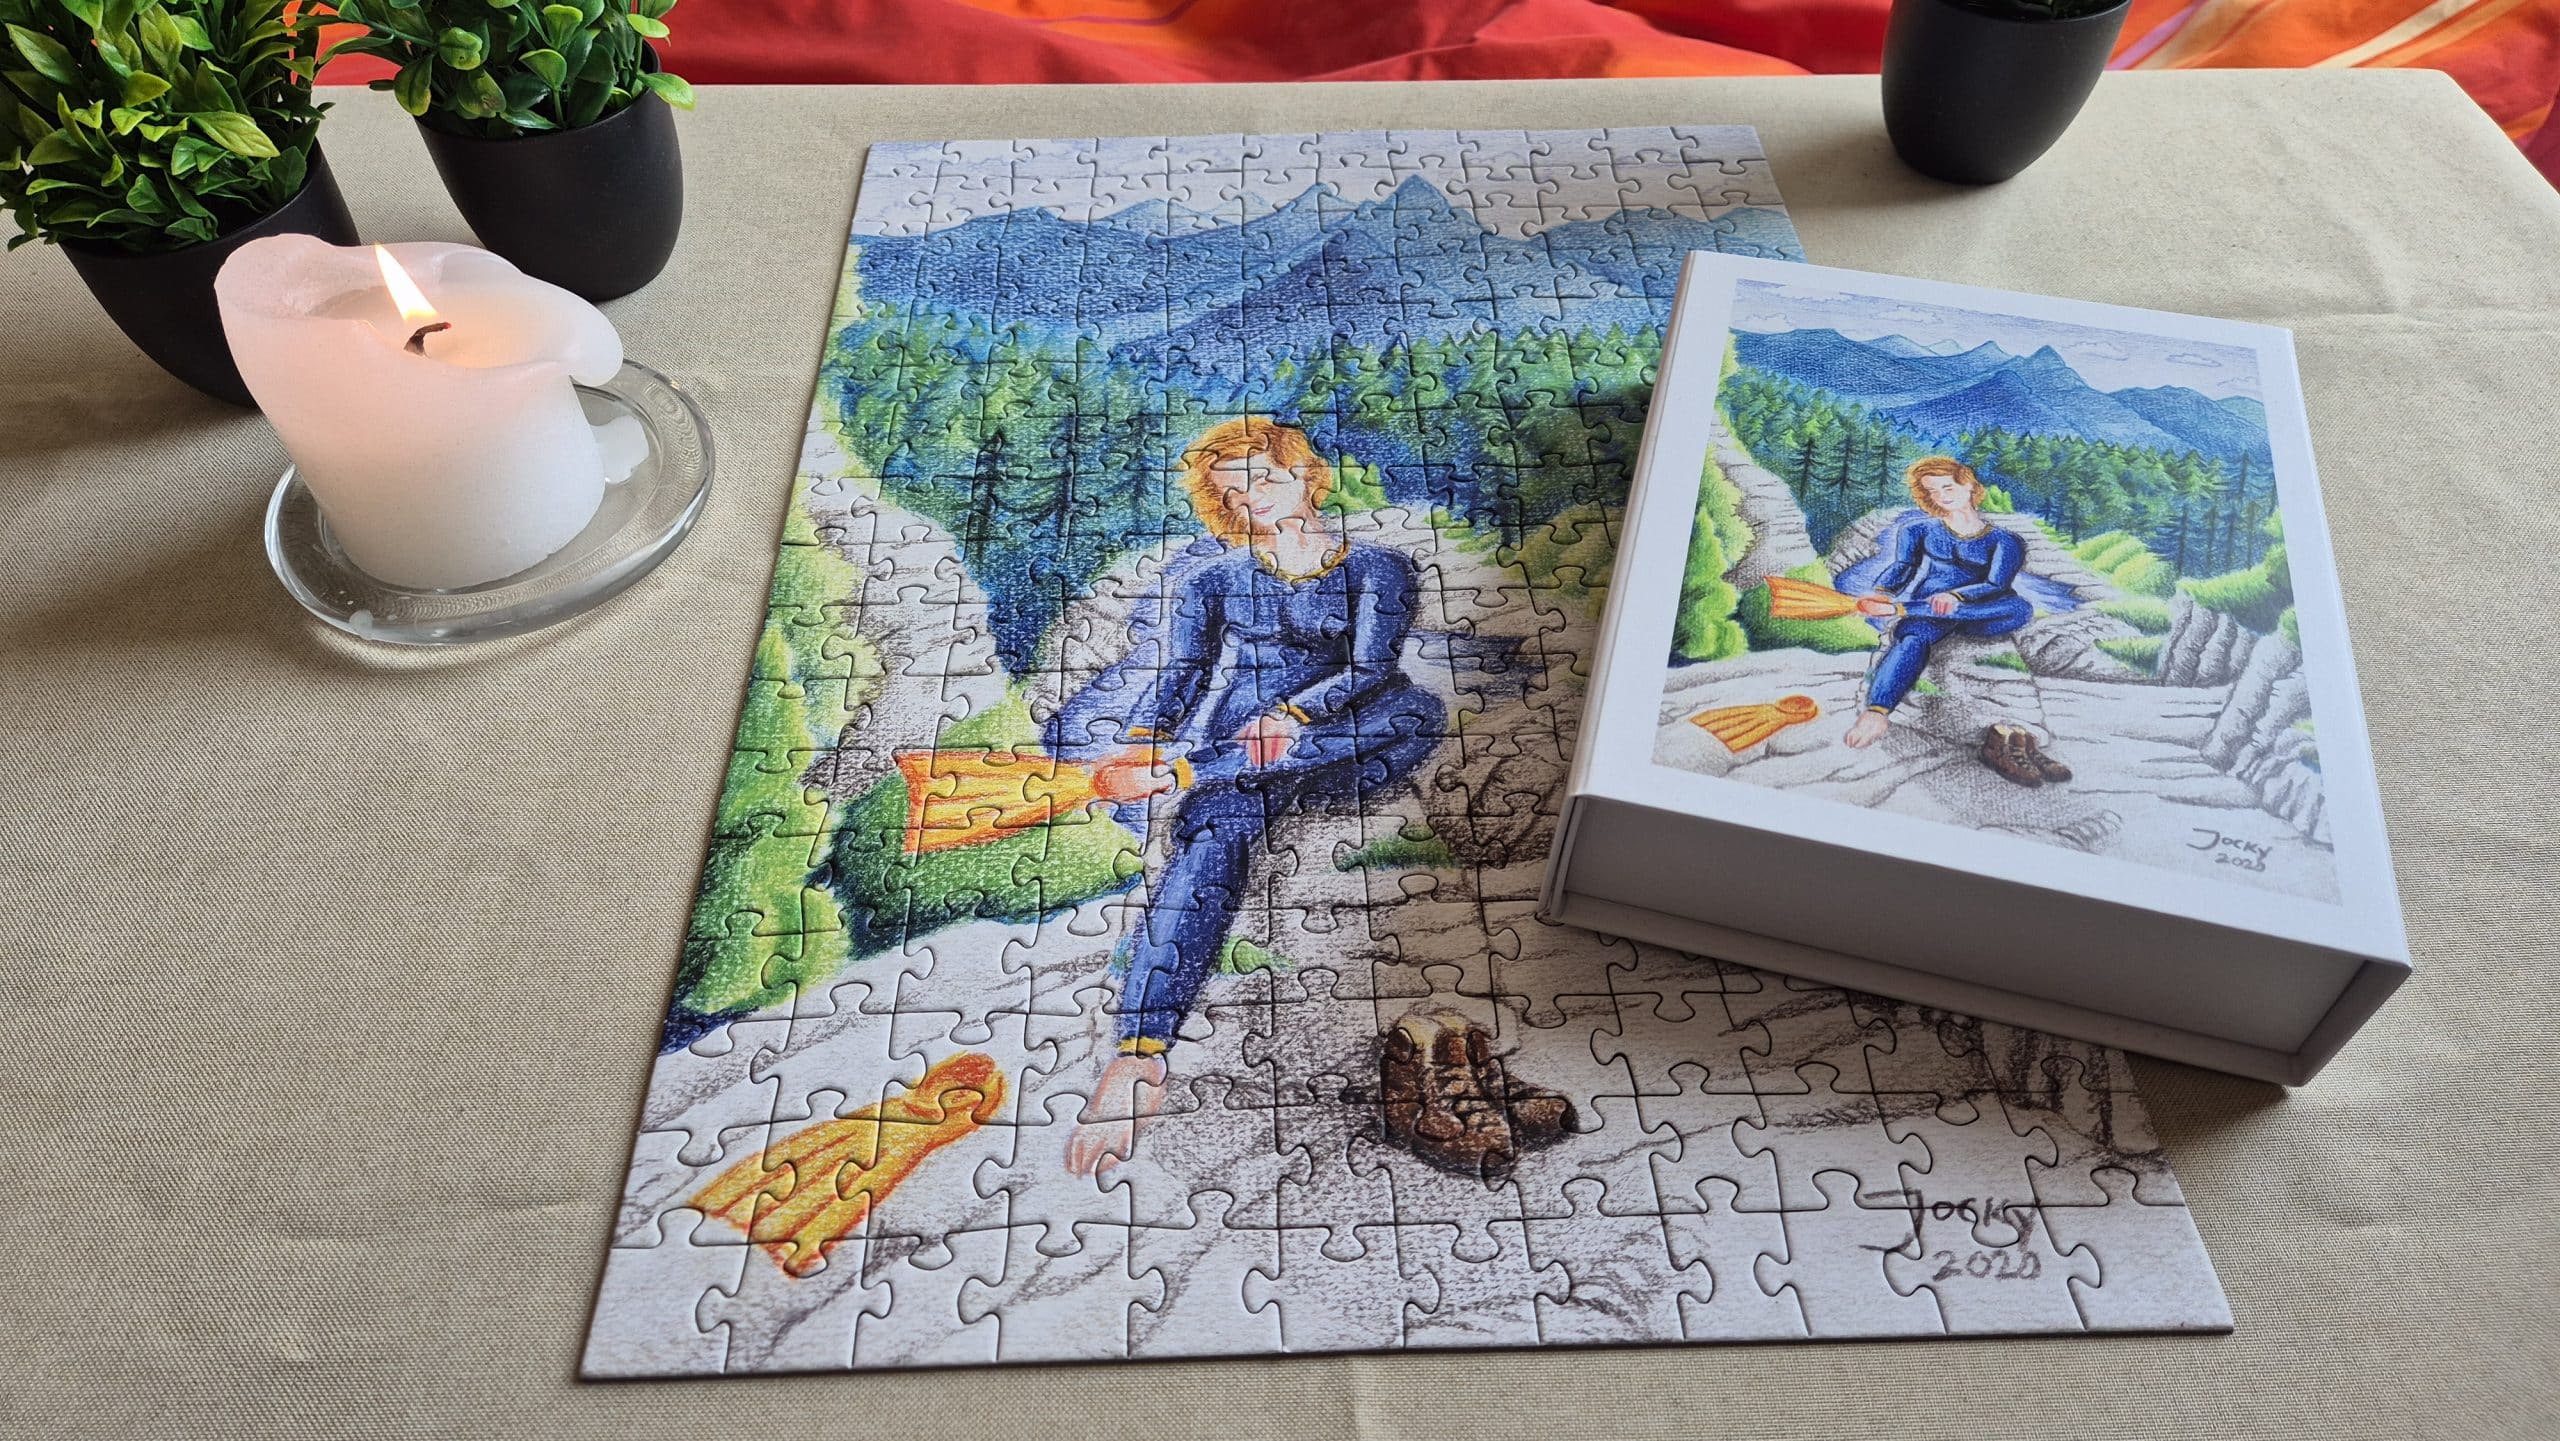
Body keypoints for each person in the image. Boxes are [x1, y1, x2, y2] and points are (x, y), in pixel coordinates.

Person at [1061, 418, 1443, 1177]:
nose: (1254, 499)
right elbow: (1182, 676)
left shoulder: (1380, 567)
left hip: (1342, 738)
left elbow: (1371, 668)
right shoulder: (1212, 581)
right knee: (1210, 847)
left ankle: (1191, 774)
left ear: (1305, 474)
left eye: (1265, 477)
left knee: (1418, 711)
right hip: (1237, 756)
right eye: (1235, 493)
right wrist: (1141, 741)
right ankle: (1139, 1055)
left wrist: (1294, 713)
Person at [1843, 456, 2036, 751]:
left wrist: (1955, 596)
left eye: (1948, 487)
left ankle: (1901, 610)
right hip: (1929, 611)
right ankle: (1877, 712)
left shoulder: (2005, 540)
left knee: (2020, 608)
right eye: (1932, 491)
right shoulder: (1917, 530)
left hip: (1979, 612)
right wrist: (1882, 592)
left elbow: (1995, 584)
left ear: (1969, 485)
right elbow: (1903, 567)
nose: (1941, 497)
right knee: (1912, 640)